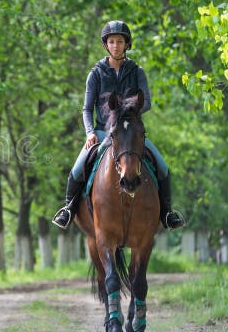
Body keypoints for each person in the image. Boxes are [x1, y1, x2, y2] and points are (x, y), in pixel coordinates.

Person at [51, 20, 185, 230]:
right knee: (77, 169)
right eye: (111, 41)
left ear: (126, 44)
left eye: (119, 41)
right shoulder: (95, 73)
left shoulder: (136, 71)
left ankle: (167, 212)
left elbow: (146, 102)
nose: (115, 45)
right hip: (103, 132)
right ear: (106, 45)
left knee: (164, 167)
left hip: (131, 133)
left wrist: (129, 112)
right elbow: (86, 109)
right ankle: (68, 208)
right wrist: (89, 134)